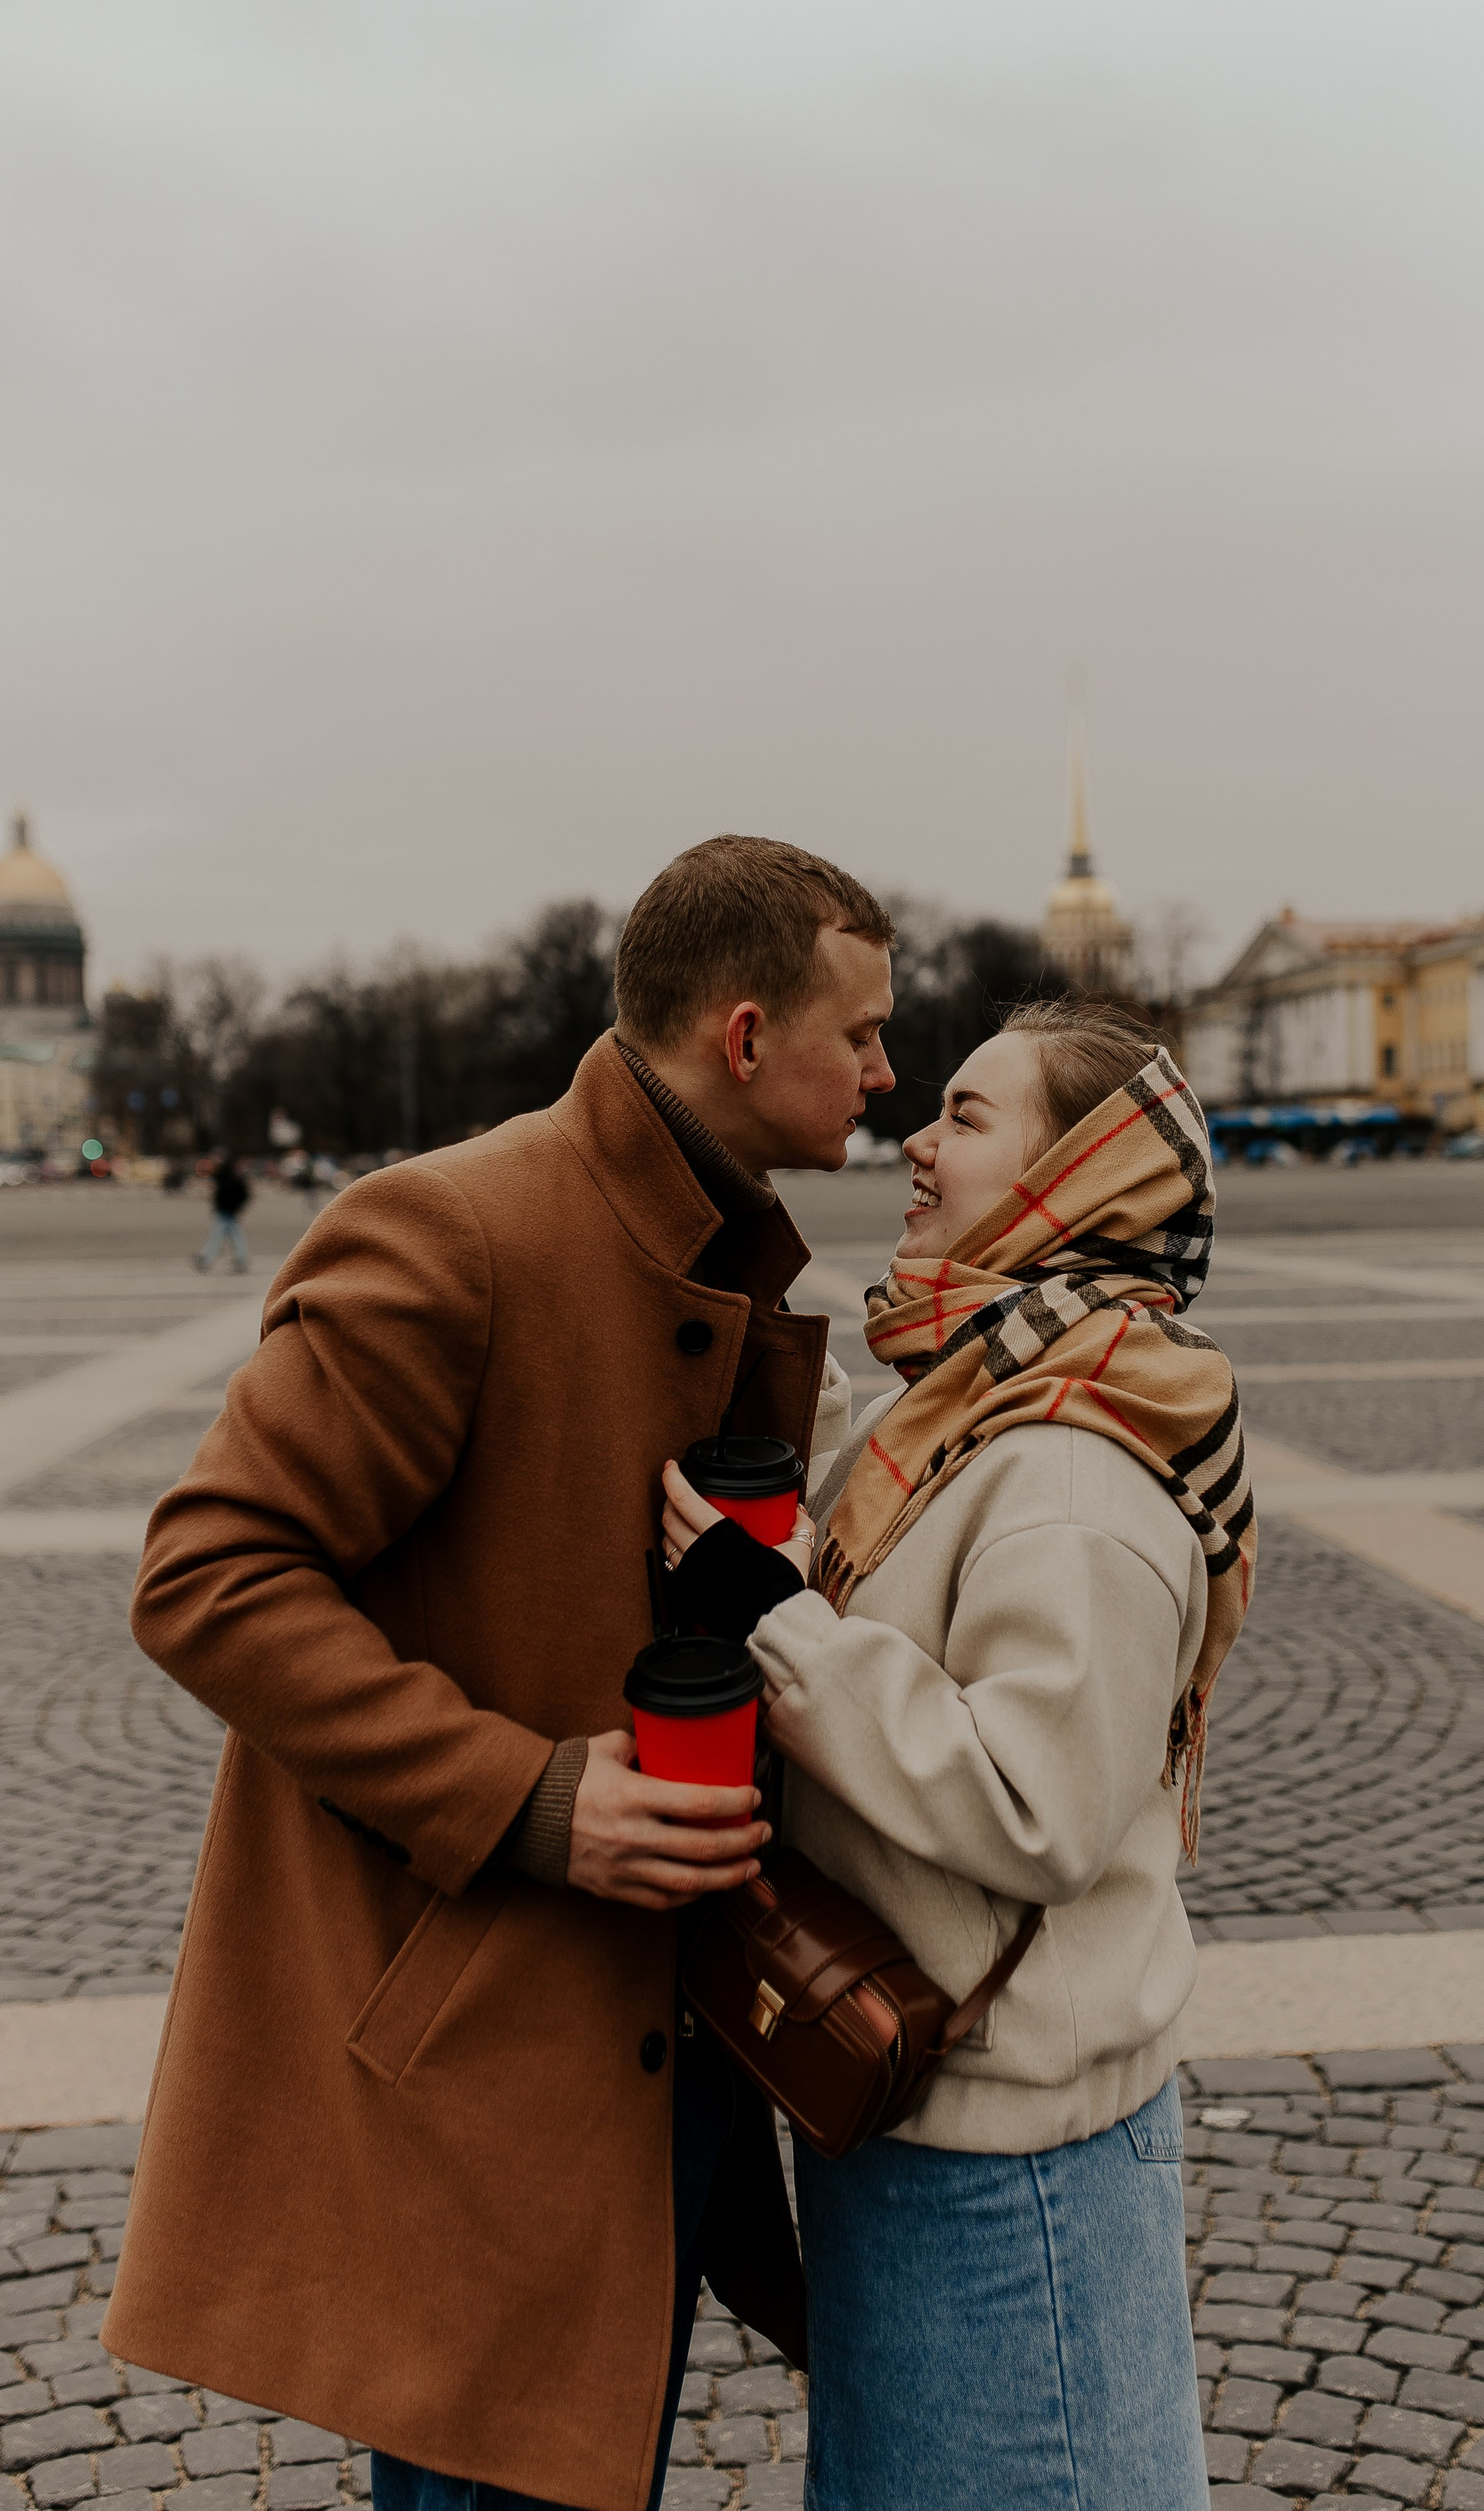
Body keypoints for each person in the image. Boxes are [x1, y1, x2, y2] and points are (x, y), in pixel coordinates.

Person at [106, 836, 896, 2511]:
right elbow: (207, 1573)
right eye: (866, 1033)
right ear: (745, 1039)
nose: (890, 1072)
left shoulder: (703, 1244)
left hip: (649, 2035)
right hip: (493, 2051)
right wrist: (531, 1796)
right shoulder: (459, 1228)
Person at [662, 998, 1257, 2511]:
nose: (917, 1141)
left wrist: (771, 1624)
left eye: (970, 1118)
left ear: (1080, 1177)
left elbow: (1035, 1803)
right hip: (928, 2114)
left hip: (1015, 2167)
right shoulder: (978, 1391)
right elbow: (887, 1556)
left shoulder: (1071, 1458)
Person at [193, 1150, 253, 1271]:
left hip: (226, 1211)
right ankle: (241, 1259)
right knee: (233, 1236)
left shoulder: (225, 1177)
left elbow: (226, 1194)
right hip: (228, 1211)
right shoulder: (230, 1176)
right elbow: (244, 1195)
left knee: (218, 1236)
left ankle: (206, 1258)